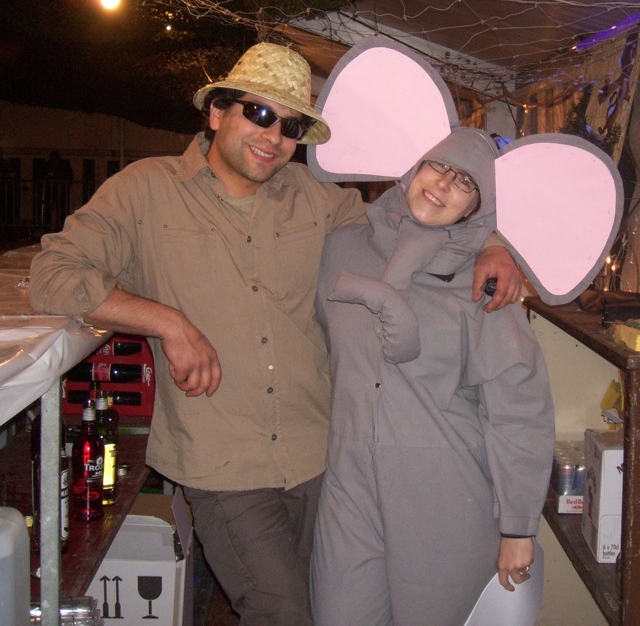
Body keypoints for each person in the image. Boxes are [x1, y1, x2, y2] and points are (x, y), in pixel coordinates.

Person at [29, 43, 521, 626]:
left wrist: (495, 242)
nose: (274, 136)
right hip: (224, 464)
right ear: (217, 112)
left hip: (319, 457)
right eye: (259, 113)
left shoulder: (316, 199)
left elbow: (415, 215)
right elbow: (53, 276)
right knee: (281, 612)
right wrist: (168, 322)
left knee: (325, 608)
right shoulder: (144, 190)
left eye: (290, 126)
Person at [310, 127, 555, 626]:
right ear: (413, 168)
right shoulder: (342, 247)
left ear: (477, 208)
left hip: (445, 494)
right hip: (349, 484)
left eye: (465, 183)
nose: (443, 185)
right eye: (438, 166)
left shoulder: (484, 284)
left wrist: (518, 527)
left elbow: (518, 408)